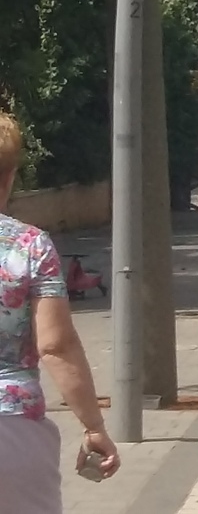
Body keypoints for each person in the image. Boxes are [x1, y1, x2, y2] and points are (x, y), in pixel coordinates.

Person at [1, 112, 121, 510]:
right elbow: (55, 345)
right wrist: (94, 425)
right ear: (10, 175)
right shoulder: (29, 247)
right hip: (13, 432)